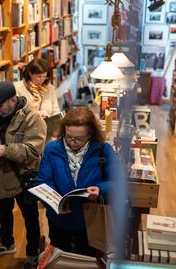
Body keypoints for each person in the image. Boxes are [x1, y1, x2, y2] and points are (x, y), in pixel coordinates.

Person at [36, 107, 125, 256]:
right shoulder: (52, 149)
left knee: (87, 259)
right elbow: (43, 181)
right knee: (59, 258)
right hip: (59, 219)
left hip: (90, 221)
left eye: (79, 138)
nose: (72, 142)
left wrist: (99, 189)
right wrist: (55, 202)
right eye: (68, 136)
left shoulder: (103, 150)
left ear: (90, 133)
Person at [0, 81, 47, 269]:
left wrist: (5, 150)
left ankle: (33, 253)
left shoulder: (32, 118)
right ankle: (7, 243)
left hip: (24, 177)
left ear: (13, 99)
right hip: (2, 176)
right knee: (4, 213)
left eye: (0, 106)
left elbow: (33, 150)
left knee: (31, 218)